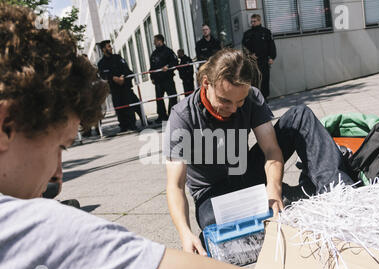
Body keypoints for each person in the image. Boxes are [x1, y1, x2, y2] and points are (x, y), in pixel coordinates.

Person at [0, 0, 293, 269]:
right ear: (6, 127)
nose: (58, 177)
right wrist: (185, 233)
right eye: (60, 147)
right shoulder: (34, 232)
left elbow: (271, 150)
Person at [164, 48, 354, 256]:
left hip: (245, 173)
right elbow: (176, 185)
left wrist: (273, 189)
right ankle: (297, 196)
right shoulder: (182, 117)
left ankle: (336, 192)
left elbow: (272, 150)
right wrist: (185, 233)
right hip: (212, 193)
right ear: (206, 84)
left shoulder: (252, 97)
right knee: (212, 222)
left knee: (300, 116)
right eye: (225, 101)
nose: (234, 109)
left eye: (240, 101)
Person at [97, 40, 143, 132]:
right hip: (114, 89)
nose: (111, 48)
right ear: (103, 49)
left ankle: (132, 124)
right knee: (119, 107)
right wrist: (113, 78)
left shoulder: (118, 58)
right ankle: (123, 126)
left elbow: (126, 69)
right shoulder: (101, 63)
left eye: (110, 46)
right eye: (108, 46)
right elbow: (103, 75)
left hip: (125, 86)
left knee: (129, 105)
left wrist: (122, 77)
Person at [242, 14, 277, 100]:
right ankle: (256, 99)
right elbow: (244, 48)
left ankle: (265, 98)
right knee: (254, 80)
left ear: (259, 21)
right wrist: (250, 55)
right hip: (253, 62)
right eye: (251, 21)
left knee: (265, 79)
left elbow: (271, 46)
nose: (252, 23)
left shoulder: (266, 32)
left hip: (264, 60)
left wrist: (272, 57)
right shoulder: (247, 34)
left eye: (254, 21)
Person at [149, 34, 178, 123]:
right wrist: (152, 77)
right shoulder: (154, 54)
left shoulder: (168, 51)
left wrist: (168, 66)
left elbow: (175, 61)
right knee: (159, 98)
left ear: (160, 41)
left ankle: (172, 114)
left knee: (172, 96)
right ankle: (162, 116)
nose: (154, 43)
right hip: (158, 80)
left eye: (155, 41)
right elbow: (152, 67)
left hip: (168, 78)